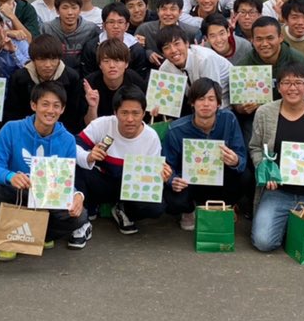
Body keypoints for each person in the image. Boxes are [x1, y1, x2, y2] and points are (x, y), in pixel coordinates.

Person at [0, 81, 92, 260]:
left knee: (80, 216)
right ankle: (11, 234)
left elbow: (67, 180)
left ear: (63, 109)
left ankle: (40, 235)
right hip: (17, 192)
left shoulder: (67, 140)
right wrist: (10, 176)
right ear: (34, 105)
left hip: (47, 197)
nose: (50, 110)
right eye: (45, 104)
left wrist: (77, 195)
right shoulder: (11, 129)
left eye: (56, 106)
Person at [248, 62, 304, 256]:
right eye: (286, 82)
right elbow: (255, 147)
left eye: (298, 82)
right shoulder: (265, 113)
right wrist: (265, 171)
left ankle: (291, 223)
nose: (292, 88)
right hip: (278, 192)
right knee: (263, 242)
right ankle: (289, 222)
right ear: (278, 86)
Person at [76, 85, 170, 232]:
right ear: (115, 113)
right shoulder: (102, 124)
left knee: (157, 207)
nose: (130, 119)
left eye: (135, 113)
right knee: (76, 165)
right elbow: (73, 147)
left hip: (131, 186)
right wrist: (88, 156)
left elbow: (151, 177)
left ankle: (123, 209)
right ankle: (86, 208)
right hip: (102, 181)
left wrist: (160, 178)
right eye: (124, 113)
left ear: (143, 113)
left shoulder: (151, 137)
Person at [163, 78, 248, 230]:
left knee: (245, 176)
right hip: (190, 182)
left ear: (219, 103)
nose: (206, 104)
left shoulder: (229, 119)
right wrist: (173, 180)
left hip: (220, 179)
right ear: (192, 103)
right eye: (200, 99)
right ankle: (189, 210)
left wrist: (235, 160)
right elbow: (167, 166)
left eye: (211, 99)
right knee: (173, 198)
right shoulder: (176, 130)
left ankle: (225, 206)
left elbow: (241, 155)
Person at [5, 34, 86, 132]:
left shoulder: (71, 78)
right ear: (33, 60)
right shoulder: (20, 78)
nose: (48, 65)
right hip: (26, 131)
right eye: (42, 59)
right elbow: (13, 112)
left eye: (53, 59)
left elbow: (74, 114)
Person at [235, 16, 304, 103]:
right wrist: (242, 108)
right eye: (259, 39)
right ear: (252, 40)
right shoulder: (244, 66)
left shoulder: (297, 60)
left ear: (280, 38)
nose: (264, 44)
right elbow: (236, 103)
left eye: (270, 38)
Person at [157, 25, 233, 109]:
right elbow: (165, 104)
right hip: (197, 107)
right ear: (163, 54)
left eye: (177, 44)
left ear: (187, 43)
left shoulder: (204, 59)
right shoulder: (165, 69)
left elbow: (213, 97)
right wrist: (159, 108)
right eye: (166, 48)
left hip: (225, 105)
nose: (173, 50)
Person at [79, 2, 150, 80]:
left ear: (127, 26)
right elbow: (88, 77)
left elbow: (139, 79)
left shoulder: (136, 49)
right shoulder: (91, 47)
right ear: (104, 26)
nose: (116, 26)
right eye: (111, 22)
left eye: (120, 22)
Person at [82, 39, 147, 124]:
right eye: (106, 61)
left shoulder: (136, 82)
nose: (112, 66)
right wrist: (92, 107)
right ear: (100, 65)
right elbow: (88, 127)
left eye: (117, 60)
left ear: (126, 63)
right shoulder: (89, 85)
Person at [41, 0, 100, 71]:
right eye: (65, 8)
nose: (70, 12)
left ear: (80, 10)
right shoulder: (46, 29)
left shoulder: (91, 29)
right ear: (57, 10)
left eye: (74, 8)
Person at [137, 0, 197, 67]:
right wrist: (147, 53)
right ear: (158, 11)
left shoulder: (192, 32)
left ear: (180, 12)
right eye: (164, 9)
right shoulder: (145, 29)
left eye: (173, 9)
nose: (168, 13)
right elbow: (135, 51)